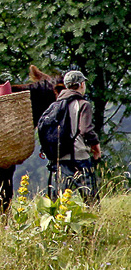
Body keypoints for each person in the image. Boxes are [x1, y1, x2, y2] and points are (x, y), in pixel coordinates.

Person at [48, 70, 101, 206]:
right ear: (82, 84)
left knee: (59, 202)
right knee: (91, 200)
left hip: (60, 158)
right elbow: (85, 130)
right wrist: (95, 147)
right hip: (80, 158)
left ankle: (57, 226)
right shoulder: (83, 104)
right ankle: (92, 226)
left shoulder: (55, 105)